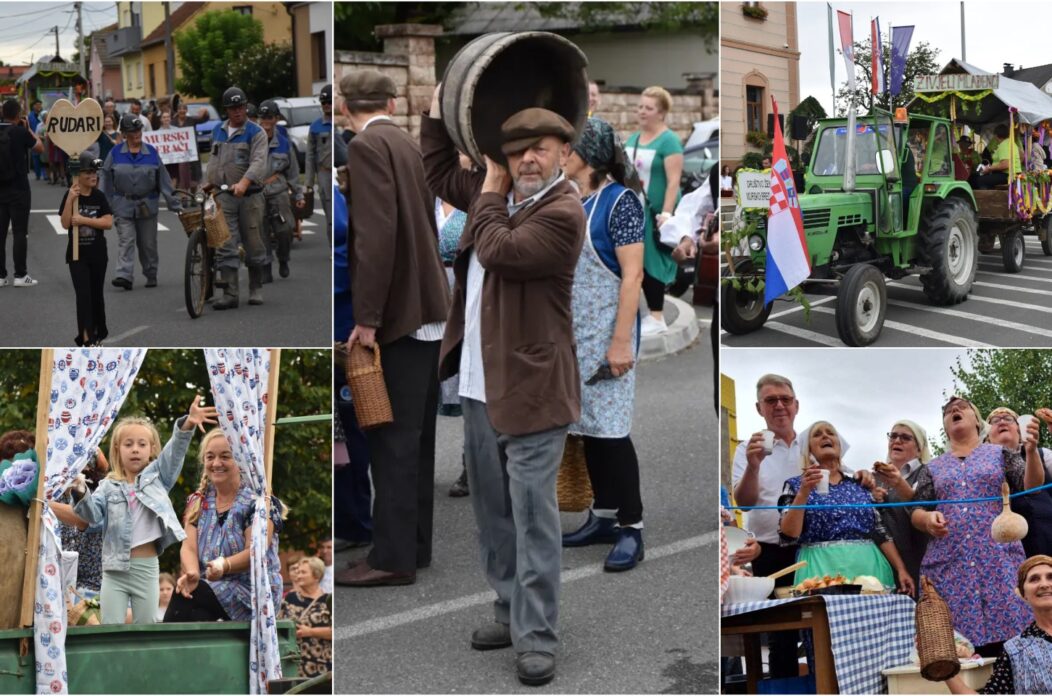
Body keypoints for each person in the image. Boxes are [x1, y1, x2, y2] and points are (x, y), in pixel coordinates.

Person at [422, 88, 586, 686]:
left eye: (538, 150)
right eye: (515, 153)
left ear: (564, 152)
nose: (526, 161)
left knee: (533, 518)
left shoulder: (562, 212)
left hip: (535, 388)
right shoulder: (497, 193)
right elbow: (437, 167)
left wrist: (487, 187)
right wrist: (438, 109)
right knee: (493, 516)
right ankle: (507, 609)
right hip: (477, 384)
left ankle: (538, 636)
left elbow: (500, 248)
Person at [336, 70, 450, 588]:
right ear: (389, 99)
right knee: (417, 438)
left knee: (392, 442)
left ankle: (392, 558)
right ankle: (415, 546)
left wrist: (367, 318)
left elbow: (374, 239)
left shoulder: (365, 146)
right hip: (427, 304)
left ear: (343, 105)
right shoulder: (403, 140)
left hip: (397, 313)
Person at [559, 117, 647, 572]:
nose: (560, 154)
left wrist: (619, 344)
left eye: (568, 147)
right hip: (579, 340)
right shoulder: (580, 199)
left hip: (610, 341)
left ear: (588, 156)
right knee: (589, 432)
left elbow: (632, 275)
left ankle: (632, 527)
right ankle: (604, 515)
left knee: (612, 437)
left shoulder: (620, 203)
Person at [909, 396, 1044, 655]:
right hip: (950, 568)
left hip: (998, 562)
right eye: (949, 411)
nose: (954, 410)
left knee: (1013, 643)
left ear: (976, 420)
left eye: (962, 408)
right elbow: (916, 510)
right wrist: (927, 520)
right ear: (946, 426)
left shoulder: (999, 454)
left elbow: (1032, 486)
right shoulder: (933, 467)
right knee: (958, 650)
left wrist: (1030, 450)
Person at [71, 397, 216, 624]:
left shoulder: (158, 478)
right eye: (128, 445)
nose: (135, 450)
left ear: (152, 450)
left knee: (146, 629)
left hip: (146, 568)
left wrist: (188, 424)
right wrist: (80, 490)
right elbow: (92, 516)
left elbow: (174, 452)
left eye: (141, 444)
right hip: (113, 571)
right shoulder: (108, 486)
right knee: (110, 629)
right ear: (118, 450)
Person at [778, 421, 915, 594]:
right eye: (818, 434)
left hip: (868, 571)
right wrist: (803, 493)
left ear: (839, 445)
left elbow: (879, 531)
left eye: (830, 433)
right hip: (820, 571)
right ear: (809, 448)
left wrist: (901, 569)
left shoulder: (859, 485)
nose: (825, 436)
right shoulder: (796, 485)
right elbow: (789, 534)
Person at [166, 427, 286, 622]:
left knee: (188, 595)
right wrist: (192, 574)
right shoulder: (197, 501)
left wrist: (225, 564)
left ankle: (159, 650)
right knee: (191, 602)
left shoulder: (260, 501)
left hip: (253, 590)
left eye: (225, 456)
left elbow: (256, 550)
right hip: (211, 588)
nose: (216, 463)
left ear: (240, 460)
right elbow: (188, 547)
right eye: (210, 457)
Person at [731, 373, 804, 679]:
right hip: (768, 549)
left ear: (796, 405)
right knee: (780, 634)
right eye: (770, 400)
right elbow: (744, 503)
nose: (779, 406)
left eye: (785, 399)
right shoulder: (748, 448)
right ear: (759, 408)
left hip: (807, 548)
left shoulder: (809, 444)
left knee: (818, 627)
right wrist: (754, 465)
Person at [944, 555, 1052, 694]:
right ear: (1023, 593)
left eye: (1050, 577)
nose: (1044, 584)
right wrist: (946, 669)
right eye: (1034, 579)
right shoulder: (1015, 650)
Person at [100, 113, 182, 291]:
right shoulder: (115, 153)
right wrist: (103, 204)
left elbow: (164, 181)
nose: (136, 134)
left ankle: (151, 272)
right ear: (124, 133)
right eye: (132, 131)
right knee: (126, 240)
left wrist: (175, 204)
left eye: (138, 130)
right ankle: (124, 275)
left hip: (147, 205)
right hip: (123, 204)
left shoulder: (151, 152)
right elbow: (105, 178)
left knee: (148, 245)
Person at [625, 86, 683, 336]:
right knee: (632, 261)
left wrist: (667, 214)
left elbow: (673, 181)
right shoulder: (633, 139)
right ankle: (639, 313)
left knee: (653, 262)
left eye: (648, 108)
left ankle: (657, 316)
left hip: (655, 212)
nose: (642, 112)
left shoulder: (669, 141)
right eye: (640, 106)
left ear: (661, 113)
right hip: (634, 211)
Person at [206, 86, 269, 309]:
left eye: (241, 106)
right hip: (225, 195)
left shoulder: (256, 132)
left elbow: (259, 161)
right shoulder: (218, 130)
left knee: (253, 242)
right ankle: (230, 293)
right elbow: (214, 160)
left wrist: (244, 182)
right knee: (226, 242)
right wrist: (209, 182)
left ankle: (255, 288)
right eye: (233, 108)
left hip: (250, 196)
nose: (238, 111)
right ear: (226, 110)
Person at [435, 151, 474, 497]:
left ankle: (471, 465)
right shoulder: (427, 197)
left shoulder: (476, 198)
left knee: (468, 382)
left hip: (463, 294)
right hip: (429, 298)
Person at [870, 420, 931, 591]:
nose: (897, 441)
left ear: (919, 448)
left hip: (918, 558)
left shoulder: (928, 473)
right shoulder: (874, 478)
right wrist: (871, 498)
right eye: (893, 436)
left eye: (905, 437)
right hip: (882, 563)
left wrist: (899, 486)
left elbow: (926, 509)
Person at [59, 153, 113, 345]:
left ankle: (98, 332)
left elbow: (108, 222)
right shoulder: (70, 194)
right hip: (76, 256)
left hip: (98, 255)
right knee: (83, 297)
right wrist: (69, 201)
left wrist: (84, 220)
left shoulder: (99, 196)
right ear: (78, 175)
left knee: (96, 295)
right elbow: (65, 224)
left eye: (95, 172)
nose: (94, 176)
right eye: (89, 172)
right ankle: (85, 337)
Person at [985, 407, 1052, 558]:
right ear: (987, 436)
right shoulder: (981, 468)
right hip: (1008, 551)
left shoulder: (1043, 455)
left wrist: (1032, 450)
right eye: (995, 421)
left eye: (1008, 419)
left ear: (1019, 429)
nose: (1002, 422)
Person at [257, 99, 304, 281]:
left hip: (278, 192)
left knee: (284, 230)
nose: (266, 122)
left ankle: (283, 259)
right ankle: (266, 266)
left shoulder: (284, 143)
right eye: (263, 118)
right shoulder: (253, 141)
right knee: (261, 232)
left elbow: (292, 172)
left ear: (276, 119)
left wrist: (298, 193)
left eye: (269, 117)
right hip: (257, 193)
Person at [0, 98, 44, 288]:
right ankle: (20, 274)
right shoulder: (20, 132)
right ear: (18, 115)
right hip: (19, 188)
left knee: (0, 233)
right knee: (19, 232)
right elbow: (39, 147)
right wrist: (27, 128)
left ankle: (1, 276)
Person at [278, 556, 332, 677]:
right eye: (298, 572)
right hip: (292, 665)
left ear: (316, 576)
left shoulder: (327, 601)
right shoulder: (289, 598)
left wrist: (310, 632)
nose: (299, 576)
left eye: (303, 572)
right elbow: (277, 626)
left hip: (321, 666)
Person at [305, 84, 335, 243]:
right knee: (330, 214)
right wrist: (309, 182)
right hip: (324, 173)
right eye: (324, 102)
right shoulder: (315, 126)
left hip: (341, 171)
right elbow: (310, 155)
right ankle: (333, 248)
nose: (327, 105)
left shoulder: (341, 121)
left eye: (329, 102)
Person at [973, 124, 1019, 189]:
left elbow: (1006, 164)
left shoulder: (1004, 145)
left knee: (980, 180)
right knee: (982, 177)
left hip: (1008, 176)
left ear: (996, 135)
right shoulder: (1010, 143)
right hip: (1010, 174)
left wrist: (989, 168)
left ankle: (988, 198)